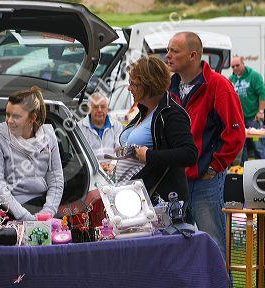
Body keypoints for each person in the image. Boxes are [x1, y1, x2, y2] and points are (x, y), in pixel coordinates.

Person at [166, 32, 245, 256]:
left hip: (205, 182)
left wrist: (214, 166)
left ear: (192, 56)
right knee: (179, 248)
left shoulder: (219, 85)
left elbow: (235, 133)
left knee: (214, 245)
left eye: (174, 51)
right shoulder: (170, 88)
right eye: (168, 50)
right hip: (177, 183)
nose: (168, 55)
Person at [118, 56, 197, 202]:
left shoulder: (171, 113)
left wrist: (149, 155)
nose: (129, 88)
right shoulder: (145, 110)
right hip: (135, 197)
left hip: (158, 201)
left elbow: (189, 154)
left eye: (133, 84)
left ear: (148, 84)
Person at [0, 86, 64, 221]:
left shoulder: (49, 136)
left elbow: (56, 179)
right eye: (7, 114)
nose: (9, 120)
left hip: (42, 205)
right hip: (9, 210)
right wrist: (26, 217)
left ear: (32, 118)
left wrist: (48, 212)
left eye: (15, 116)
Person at [229, 56, 265, 163]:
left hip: (253, 118)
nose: (235, 68)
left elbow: (262, 93)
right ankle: (244, 169)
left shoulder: (254, 76)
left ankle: (262, 169)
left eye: (237, 65)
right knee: (241, 145)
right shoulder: (231, 79)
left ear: (243, 64)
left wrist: (261, 111)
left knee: (258, 144)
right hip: (239, 119)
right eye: (232, 66)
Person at [78, 92, 123, 173]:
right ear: (89, 109)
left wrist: (112, 165)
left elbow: (119, 151)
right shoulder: (80, 127)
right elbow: (80, 155)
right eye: (95, 107)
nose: (99, 110)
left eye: (102, 107)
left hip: (113, 170)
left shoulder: (117, 125)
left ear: (107, 108)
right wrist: (98, 165)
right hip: (90, 172)